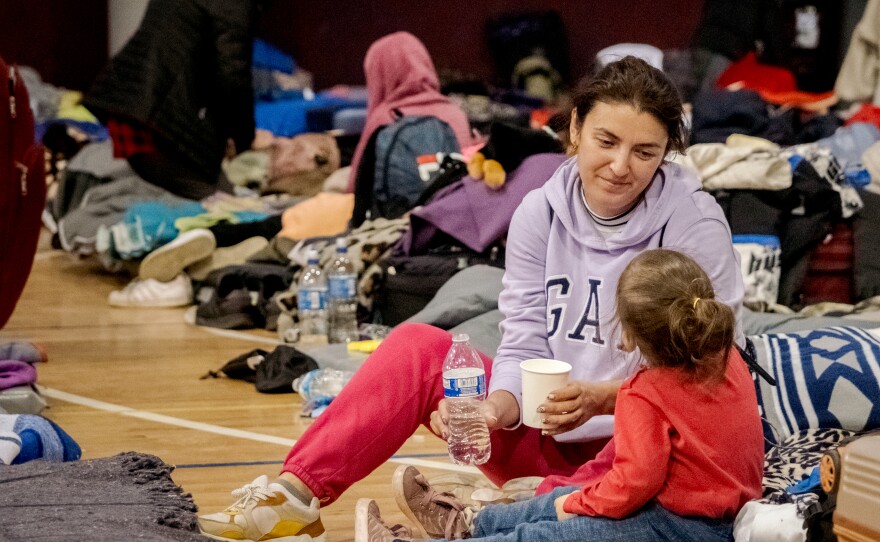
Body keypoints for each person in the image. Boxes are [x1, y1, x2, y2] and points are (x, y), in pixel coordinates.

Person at [196, 56, 745, 542]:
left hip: (642, 454)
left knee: (580, 505)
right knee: (415, 345)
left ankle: (504, 513)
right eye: (607, 141)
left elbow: (714, 363)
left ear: (667, 154)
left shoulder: (693, 221)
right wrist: (495, 410)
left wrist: (606, 399)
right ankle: (295, 495)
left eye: (645, 152)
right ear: (574, 128)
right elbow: (524, 332)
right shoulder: (538, 209)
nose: (622, 166)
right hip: (549, 433)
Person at [356, 248, 764, 541]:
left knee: (546, 531)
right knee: (563, 497)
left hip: (679, 525)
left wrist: (574, 508)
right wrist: (574, 500)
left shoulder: (645, 394)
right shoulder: (729, 360)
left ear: (627, 334)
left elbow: (631, 486)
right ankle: (468, 525)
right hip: (720, 513)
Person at [84, 0, 264, 201]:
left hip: (135, 104)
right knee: (220, 206)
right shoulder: (233, 5)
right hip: (157, 118)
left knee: (210, 200)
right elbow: (233, 75)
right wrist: (244, 140)